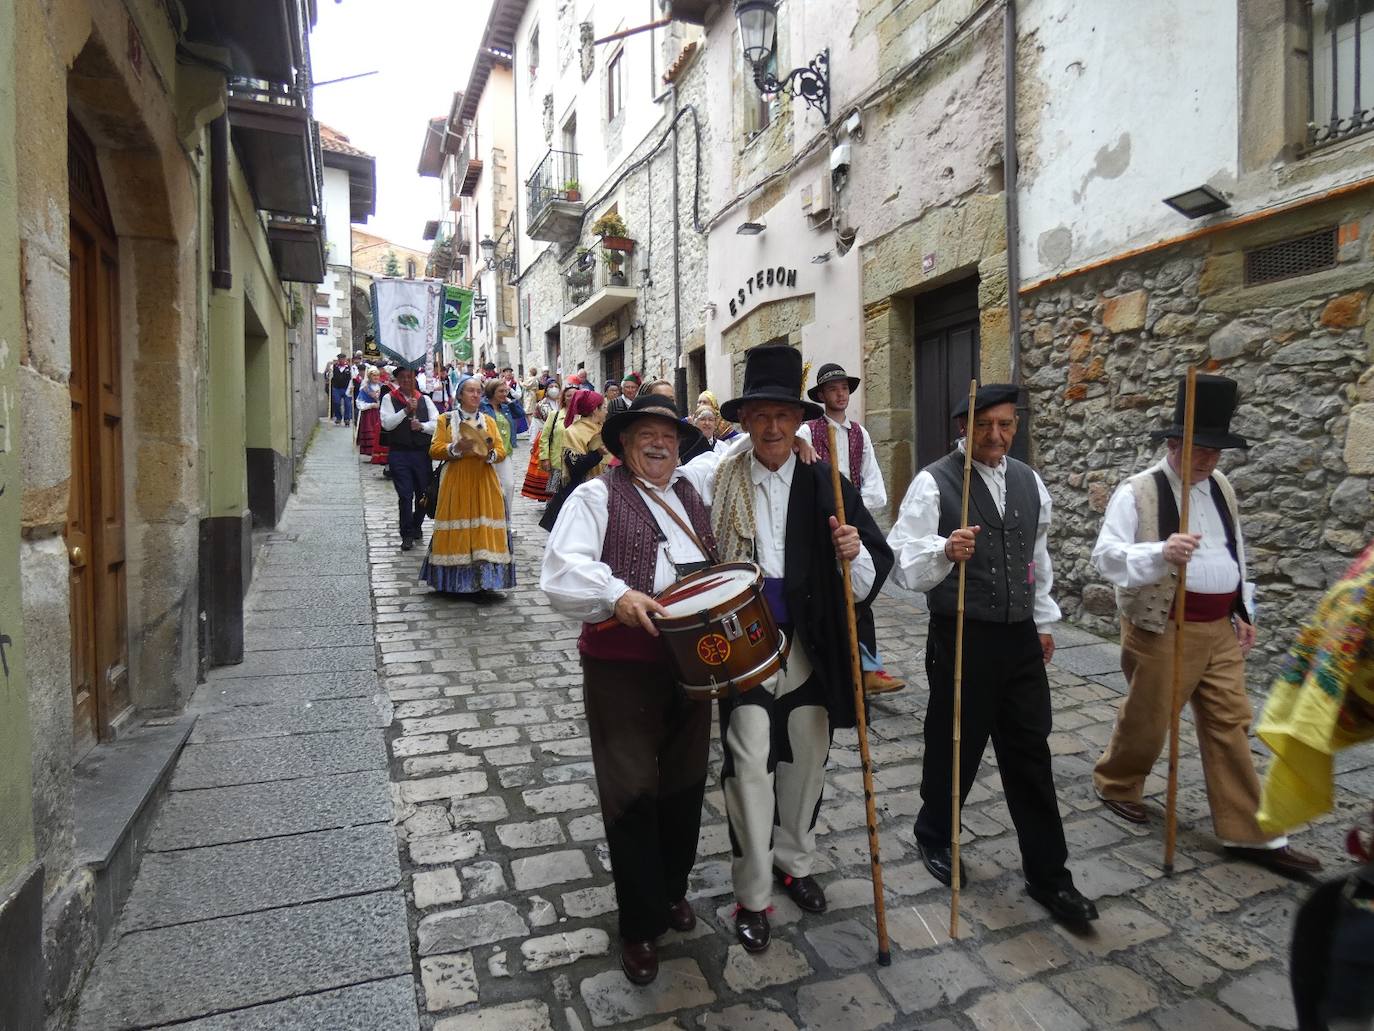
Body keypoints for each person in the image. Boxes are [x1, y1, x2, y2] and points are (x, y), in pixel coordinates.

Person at [1090, 373, 1321, 877]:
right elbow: (1106, 558)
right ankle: (1117, 782)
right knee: (1149, 719)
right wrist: (1161, 551)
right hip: (1163, 625)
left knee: (1230, 724)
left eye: (1217, 452)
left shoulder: (1221, 488)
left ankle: (1250, 833)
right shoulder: (1138, 492)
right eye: (1201, 450)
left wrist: (1244, 609)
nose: (1210, 461)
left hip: (1218, 627)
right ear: (1175, 444)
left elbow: (1234, 551)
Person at [886, 383, 1098, 926]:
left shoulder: (1030, 482)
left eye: (1006, 425)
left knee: (1031, 752)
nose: (997, 435)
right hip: (962, 634)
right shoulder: (935, 482)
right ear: (964, 426)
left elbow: (1037, 556)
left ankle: (1050, 876)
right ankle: (935, 833)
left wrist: (1045, 621)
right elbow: (904, 560)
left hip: (1020, 637)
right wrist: (944, 550)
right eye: (985, 425)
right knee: (956, 743)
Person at [704, 345, 893, 953]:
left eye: (783, 414)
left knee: (807, 760)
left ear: (798, 420)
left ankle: (794, 862)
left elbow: (871, 568)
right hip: (746, 647)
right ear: (745, 420)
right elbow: (665, 493)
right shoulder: (718, 478)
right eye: (760, 414)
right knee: (749, 761)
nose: (772, 426)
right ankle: (753, 893)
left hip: (811, 646)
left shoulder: (826, 482)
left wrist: (852, 550)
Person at [541, 394, 713, 985]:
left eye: (668, 435)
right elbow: (561, 571)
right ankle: (640, 925)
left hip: (693, 667)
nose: (659, 444)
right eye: (645, 434)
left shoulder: (693, 495)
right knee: (633, 791)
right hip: (623, 667)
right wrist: (617, 594)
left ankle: (670, 890)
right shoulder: (595, 495)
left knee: (686, 785)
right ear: (624, 443)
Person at [797, 363, 903, 695]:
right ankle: (836, 662)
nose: (840, 394)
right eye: (832, 389)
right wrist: (800, 446)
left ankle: (867, 667)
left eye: (844, 388)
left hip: (853, 521)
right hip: (819, 523)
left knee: (861, 591)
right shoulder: (807, 430)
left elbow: (873, 480)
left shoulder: (860, 433)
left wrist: (855, 507)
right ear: (822, 395)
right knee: (828, 594)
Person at [421, 377, 515, 594]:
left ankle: (485, 581)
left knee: (483, 529)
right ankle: (453, 581)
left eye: (478, 391)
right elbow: (434, 449)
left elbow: (501, 450)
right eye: (470, 391)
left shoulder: (488, 421)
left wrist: (487, 453)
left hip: (484, 480)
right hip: (457, 480)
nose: (475, 395)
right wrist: (456, 447)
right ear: (460, 395)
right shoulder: (446, 420)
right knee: (458, 526)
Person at [380, 367, 437, 550]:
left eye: (409, 377)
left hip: (421, 453)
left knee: (423, 493)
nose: (406, 380)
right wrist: (405, 411)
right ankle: (406, 533)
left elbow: (437, 424)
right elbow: (387, 424)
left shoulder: (425, 399)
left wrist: (421, 426)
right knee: (405, 495)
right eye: (402, 377)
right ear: (397, 380)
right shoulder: (389, 398)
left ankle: (416, 524)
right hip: (399, 453)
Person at [480, 377, 519, 525]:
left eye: (506, 391)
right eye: (501, 391)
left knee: (509, 485)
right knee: (489, 488)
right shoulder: (483, 407)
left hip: (505, 452)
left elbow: (520, 414)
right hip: (488, 454)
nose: (505, 394)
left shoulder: (506, 407)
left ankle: (506, 522)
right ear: (492, 392)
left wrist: (509, 401)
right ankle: (489, 521)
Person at [562, 389, 609, 484]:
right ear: (595, 409)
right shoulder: (573, 432)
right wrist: (597, 453)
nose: (607, 412)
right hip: (583, 487)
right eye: (604, 408)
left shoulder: (604, 428)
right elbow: (574, 466)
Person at [355, 366, 383, 456]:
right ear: (369, 376)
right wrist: (371, 405)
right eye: (373, 375)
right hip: (369, 414)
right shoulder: (365, 389)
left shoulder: (382, 387)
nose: (376, 377)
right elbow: (359, 402)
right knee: (371, 431)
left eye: (377, 375)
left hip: (380, 413)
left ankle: (379, 450)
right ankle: (370, 451)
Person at [326, 352, 354, 425]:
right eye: (340, 359)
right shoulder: (333, 367)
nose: (341, 360)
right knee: (336, 402)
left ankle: (347, 419)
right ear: (338, 359)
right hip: (336, 388)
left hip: (347, 388)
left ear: (345, 359)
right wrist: (329, 373)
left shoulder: (350, 368)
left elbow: (354, 377)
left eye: (342, 359)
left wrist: (352, 385)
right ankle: (338, 417)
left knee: (347, 404)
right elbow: (328, 376)